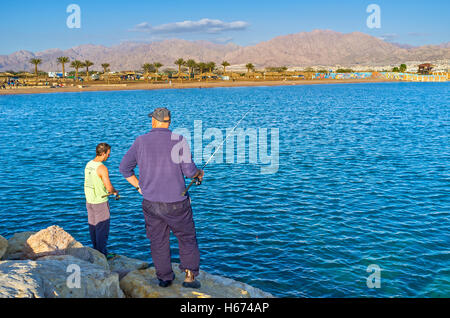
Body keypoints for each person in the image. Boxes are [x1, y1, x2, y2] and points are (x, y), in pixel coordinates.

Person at [119, 107, 204, 289]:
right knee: (187, 237)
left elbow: (124, 168)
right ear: (169, 121)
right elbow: (190, 172)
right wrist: (199, 173)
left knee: (158, 240)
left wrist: (139, 186)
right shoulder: (179, 140)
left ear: (154, 121)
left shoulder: (140, 141)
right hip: (176, 203)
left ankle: (165, 278)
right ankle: (189, 277)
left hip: (151, 203)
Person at [84, 143, 118, 260]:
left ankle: (96, 252)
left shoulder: (88, 164)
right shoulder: (102, 168)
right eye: (108, 154)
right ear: (103, 153)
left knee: (93, 227)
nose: (109, 156)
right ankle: (102, 255)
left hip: (89, 201)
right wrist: (115, 192)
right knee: (102, 229)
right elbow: (109, 188)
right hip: (100, 202)